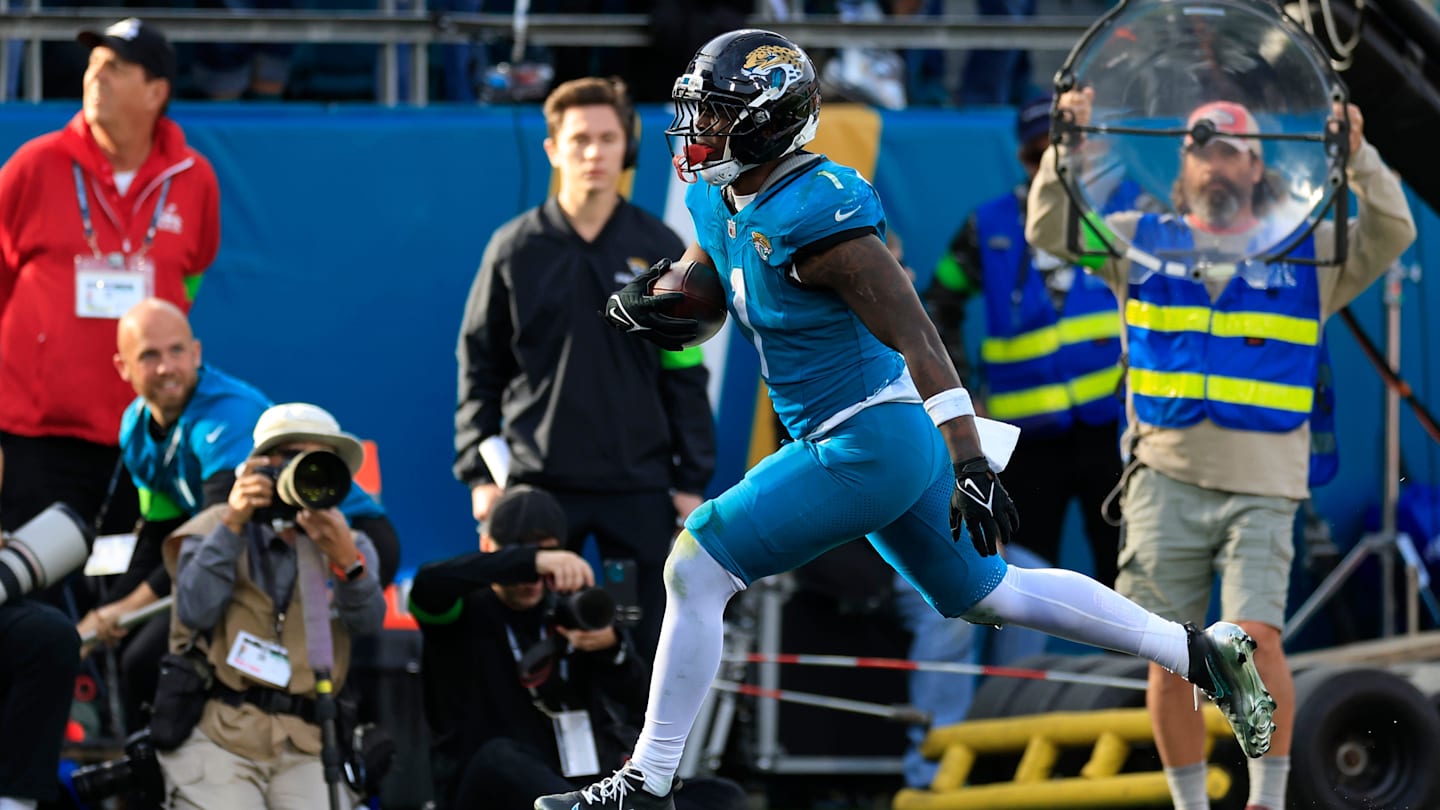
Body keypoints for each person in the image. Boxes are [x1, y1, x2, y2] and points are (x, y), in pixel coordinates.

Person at [536, 29, 1276, 810]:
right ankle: (1196, 650)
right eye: (700, 113)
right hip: (865, 438)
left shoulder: (820, 213)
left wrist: (970, 460)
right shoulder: (718, 195)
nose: (699, 131)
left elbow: (918, 334)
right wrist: (661, 305)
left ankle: (646, 782)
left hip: (868, 439)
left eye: (717, 115)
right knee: (989, 593)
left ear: (766, 121)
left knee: (696, 563)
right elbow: (710, 284)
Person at [1026, 89, 1417, 810]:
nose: (1217, 162)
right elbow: (1049, 228)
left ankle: (1266, 802)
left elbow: (1393, 230)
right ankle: (1189, 805)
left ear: (1258, 166)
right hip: (1161, 478)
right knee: (1168, 659)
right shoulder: (1136, 236)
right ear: (1184, 163)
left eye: (1234, 149)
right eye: (1203, 147)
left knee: (1257, 643)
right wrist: (1068, 145)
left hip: (1265, 484)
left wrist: (1357, 156)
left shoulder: (1309, 250)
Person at [454, 76, 716, 663]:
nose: (594, 153)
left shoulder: (663, 248)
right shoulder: (514, 248)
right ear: (552, 150)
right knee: (531, 649)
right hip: (537, 486)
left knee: (637, 647)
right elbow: (479, 365)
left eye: (608, 138)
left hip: (639, 487)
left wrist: (690, 480)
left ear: (629, 147)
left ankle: (636, 759)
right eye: (579, 140)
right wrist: (480, 475)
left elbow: (686, 369)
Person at [81, 298, 399, 732]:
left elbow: (215, 523)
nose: (166, 367)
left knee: (308, 657)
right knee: (133, 649)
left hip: (342, 533)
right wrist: (111, 609)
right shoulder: (135, 427)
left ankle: (344, 759)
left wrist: (124, 609)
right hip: (251, 539)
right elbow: (161, 531)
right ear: (123, 366)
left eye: (176, 351)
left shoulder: (227, 415)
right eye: (149, 355)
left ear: (197, 352)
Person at [0, 18, 220, 548]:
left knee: (119, 596)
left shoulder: (194, 178)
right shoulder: (36, 164)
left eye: (116, 68)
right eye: (94, 65)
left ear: (156, 91)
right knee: (30, 592)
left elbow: (191, 274)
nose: (96, 77)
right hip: (36, 433)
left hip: (142, 434)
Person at [409, 485, 747, 810]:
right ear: (487, 546)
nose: (530, 578)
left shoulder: (571, 611)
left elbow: (637, 700)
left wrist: (612, 651)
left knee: (722, 795)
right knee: (499, 759)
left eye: (547, 551)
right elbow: (428, 583)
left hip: (574, 781)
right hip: (485, 783)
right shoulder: (458, 611)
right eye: (520, 551)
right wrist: (532, 561)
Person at [925, 94, 1143, 587]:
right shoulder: (988, 225)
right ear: (1021, 159)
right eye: (1035, 153)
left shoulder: (1128, 214)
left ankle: (1139, 667)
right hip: (1024, 434)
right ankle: (1026, 669)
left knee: (1130, 561)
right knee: (1026, 571)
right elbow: (936, 307)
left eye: (1060, 148)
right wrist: (962, 395)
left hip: (1112, 424)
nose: (1049, 162)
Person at [157, 402, 386, 810]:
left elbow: (368, 624)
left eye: (321, 462)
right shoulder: (215, 525)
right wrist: (233, 523)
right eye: (296, 458)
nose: (307, 473)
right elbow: (194, 610)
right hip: (222, 731)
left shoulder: (346, 540)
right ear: (263, 464)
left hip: (309, 742)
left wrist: (348, 565)